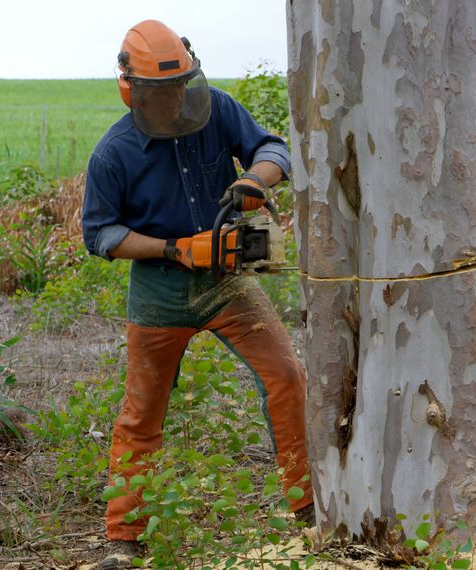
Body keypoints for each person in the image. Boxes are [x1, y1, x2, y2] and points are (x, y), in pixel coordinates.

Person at [81, 19, 313, 569]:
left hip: (228, 284)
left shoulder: (219, 110)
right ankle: (124, 538)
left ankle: (308, 508)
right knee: (141, 414)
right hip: (159, 296)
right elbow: (101, 234)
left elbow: (273, 147)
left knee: (286, 377)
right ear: (132, 91)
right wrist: (176, 249)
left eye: (182, 85)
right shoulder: (113, 153)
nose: (176, 99)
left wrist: (256, 178)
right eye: (161, 91)